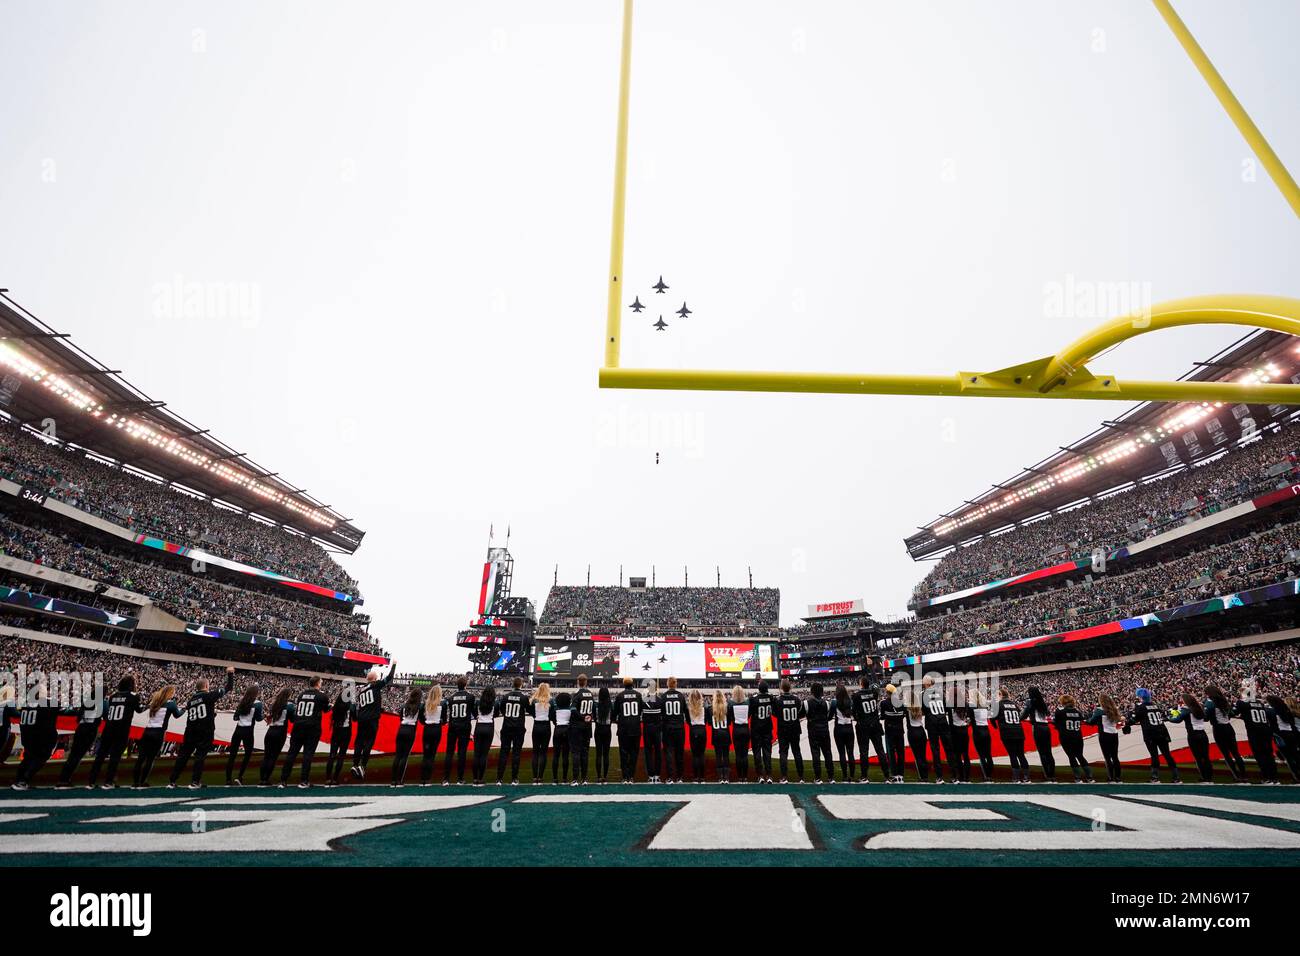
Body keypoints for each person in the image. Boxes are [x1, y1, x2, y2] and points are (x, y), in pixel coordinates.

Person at [168, 667, 235, 789]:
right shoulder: (208, 696)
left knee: (183, 755)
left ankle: (172, 781)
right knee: (200, 756)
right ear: (205, 686)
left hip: (190, 730)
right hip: (204, 730)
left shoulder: (190, 701)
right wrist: (230, 674)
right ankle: (195, 781)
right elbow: (228, 687)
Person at [87, 674, 143, 789]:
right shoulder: (134, 696)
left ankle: (91, 781)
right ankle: (108, 781)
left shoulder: (113, 696)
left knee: (101, 755)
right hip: (121, 729)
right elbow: (139, 710)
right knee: (115, 757)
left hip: (108, 728)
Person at [10, 684, 66, 790]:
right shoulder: (47, 703)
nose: (47, 693)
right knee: (40, 758)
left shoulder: (26, 704)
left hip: (27, 736)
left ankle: (18, 780)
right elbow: (64, 709)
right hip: (41, 737)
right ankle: (23, 781)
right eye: (45, 691)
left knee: (28, 758)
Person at [280, 676, 331, 788]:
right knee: (308, 754)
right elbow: (326, 709)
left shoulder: (301, 695)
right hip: (312, 727)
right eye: (321, 682)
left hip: (298, 726)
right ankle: (304, 780)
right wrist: (330, 706)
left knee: (292, 753)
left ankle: (283, 780)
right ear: (317, 683)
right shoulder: (322, 696)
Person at [1123, 687, 1180, 784]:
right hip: (1162, 731)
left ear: (1140, 697)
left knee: (1154, 755)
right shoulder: (1155, 705)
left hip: (1150, 733)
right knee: (1167, 754)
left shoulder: (1141, 707)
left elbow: (1134, 720)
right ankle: (1176, 777)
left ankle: (1155, 777)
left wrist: (1127, 723)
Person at [351, 662, 397, 780]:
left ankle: (355, 764)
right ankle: (363, 766)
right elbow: (390, 677)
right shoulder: (376, 685)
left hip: (362, 718)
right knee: (369, 743)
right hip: (372, 719)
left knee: (359, 742)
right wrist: (394, 665)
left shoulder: (361, 690)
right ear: (375, 678)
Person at [134, 685, 182, 789]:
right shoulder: (171, 704)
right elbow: (177, 715)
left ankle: (135, 782)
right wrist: (185, 709)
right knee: (150, 759)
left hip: (147, 731)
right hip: (158, 733)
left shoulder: (155, 701)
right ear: (170, 693)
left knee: (141, 758)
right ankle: (142, 782)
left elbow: (143, 709)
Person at [56, 692, 103, 790]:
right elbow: (98, 720)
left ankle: (63, 778)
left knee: (73, 755)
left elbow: (78, 718)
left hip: (80, 729)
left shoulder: (86, 703)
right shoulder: (99, 704)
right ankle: (65, 779)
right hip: (89, 731)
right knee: (78, 756)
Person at [1234, 693, 1279, 785]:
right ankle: (1274, 778)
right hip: (1265, 729)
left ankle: (1266, 777)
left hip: (1254, 731)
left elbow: (1234, 712)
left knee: (1259, 755)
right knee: (1269, 754)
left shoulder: (1242, 703)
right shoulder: (1260, 703)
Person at [1204, 685, 1246, 783]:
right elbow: (1232, 714)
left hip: (1219, 729)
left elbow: (1206, 718)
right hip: (1229, 727)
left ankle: (1236, 776)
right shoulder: (1224, 700)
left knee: (1226, 755)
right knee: (1236, 753)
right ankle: (1244, 775)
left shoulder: (1209, 703)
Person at [1169, 693, 1214, 783]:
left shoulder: (1186, 709)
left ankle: (1204, 777)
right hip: (1203, 734)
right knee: (1205, 757)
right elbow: (1206, 718)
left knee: (1198, 758)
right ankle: (1209, 777)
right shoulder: (1200, 707)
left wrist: (1169, 717)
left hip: (1193, 735)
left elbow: (1177, 720)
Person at [225, 684, 262, 786]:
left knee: (232, 755)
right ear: (256, 693)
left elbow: (235, 718)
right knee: (248, 754)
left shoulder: (242, 701)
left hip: (238, 730)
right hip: (248, 731)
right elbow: (259, 718)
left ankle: (228, 779)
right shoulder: (258, 704)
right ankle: (239, 777)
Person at [851, 678, 887, 784]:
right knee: (880, 751)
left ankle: (864, 777)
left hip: (863, 726)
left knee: (864, 751)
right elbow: (876, 685)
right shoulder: (874, 693)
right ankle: (887, 776)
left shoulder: (856, 696)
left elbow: (854, 711)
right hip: (875, 724)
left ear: (861, 684)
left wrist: (859, 719)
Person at [496, 677, 530, 785]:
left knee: (503, 753)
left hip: (507, 727)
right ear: (521, 685)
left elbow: (502, 710)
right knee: (516, 753)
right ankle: (514, 778)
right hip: (518, 728)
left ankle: (499, 778)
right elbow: (529, 710)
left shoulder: (506, 696)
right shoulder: (524, 697)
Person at [443, 676, 477, 785]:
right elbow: (474, 713)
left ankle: (445, 779)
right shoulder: (470, 697)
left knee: (449, 752)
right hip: (464, 726)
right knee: (462, 752)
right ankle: (460, 778)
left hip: (453, 725)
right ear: (465, 685)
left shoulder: (451, 697)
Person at [992, 687, 1028, 784]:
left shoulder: (998, 705)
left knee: (1012, 755)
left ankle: (1016, 778)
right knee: (1021, 755)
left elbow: (992, 717)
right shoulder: (1015, 704)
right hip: (1019, 731)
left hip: (1007, 732)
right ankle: (1026, 777)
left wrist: (995, 726)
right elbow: (1021, 716)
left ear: (1000, 695)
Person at [1053, 694, 1092, 783]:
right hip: (1078, 736)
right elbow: (1082, 720)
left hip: (1066, 736)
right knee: (1080, 756)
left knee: (1071, 756)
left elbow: (1056, 723)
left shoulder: (1060, 711)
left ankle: (1078, 778)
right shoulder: (1077, 711)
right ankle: (1089, 777)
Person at [257, 688, 292, 786]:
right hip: (280, 732)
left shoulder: (274, 704)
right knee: (273, 756)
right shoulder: (288, 706)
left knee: (266, 756)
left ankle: (262, 778)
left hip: (270, 731)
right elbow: (292, 719)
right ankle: (266, 779)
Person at [1086, 693, 1124, 783]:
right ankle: (1118, 778)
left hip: (1104, 735)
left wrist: (1086, 720)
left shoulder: (1099, 710)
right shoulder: (1115, 709)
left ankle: (1110, 778)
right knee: (1115, 757)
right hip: (1114, 734)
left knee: (1107, 757)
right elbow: (1118, 719)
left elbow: (1091, 722)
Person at [613, 677, 644, 783]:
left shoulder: (620, 696)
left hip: (623, 728)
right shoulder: (638, 695)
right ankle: (631, 776)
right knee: (634, 753)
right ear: (633, 684)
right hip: (635, 728)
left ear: (624, 684)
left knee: (623, 753)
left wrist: (617, 721)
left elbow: (615, 713)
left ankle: (625, 776)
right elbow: (640, 711)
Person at [921, 675, 950, 783]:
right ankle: (954, 776)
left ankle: (939, 776)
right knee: (948, 749)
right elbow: (946, 707)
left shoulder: (923, 694)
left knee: (935, 750)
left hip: (932, 723)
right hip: (942, 721)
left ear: (927, 683)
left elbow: (923, 710)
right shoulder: (941, 692)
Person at [775, 680, 805, 784]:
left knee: (783, 753)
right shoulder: (797, 699)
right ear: (790, 687)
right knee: (797, 752)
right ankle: (801, 777)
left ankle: (784, 777)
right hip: (795, 729)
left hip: (783, 730)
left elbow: (775, 714)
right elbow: (800, 713)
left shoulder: (778, 700)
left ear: (782, 688)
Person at [569, 675, 597, 785]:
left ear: (578, 681)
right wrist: (590, 718)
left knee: (576, 753)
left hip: (577, 727)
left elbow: (573, 709)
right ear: (586, 682)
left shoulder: (577, 693)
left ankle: (575, 779)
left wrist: (582, 717)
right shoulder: (590, 693)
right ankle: (585, 779)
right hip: (587, 727)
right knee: (585, 753)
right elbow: (594, 709)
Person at [1024, 686, 1056, 783]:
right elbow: (1047, 713)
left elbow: (1025, 713)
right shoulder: (1042, 702)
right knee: (1049, 753)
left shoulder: (1030, 701)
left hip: (1038, 728)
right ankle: (1052, 775)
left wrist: (1019, 719)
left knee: (1042, 753)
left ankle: (1047, 775)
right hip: (1046, 727)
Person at [324, 686, 354, 786]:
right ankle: (336, 778)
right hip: (346, 732)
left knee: (332, 755)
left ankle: (328, 778)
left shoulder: (336, 706)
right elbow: (355, 718)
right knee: (341, 756)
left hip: (336, 731)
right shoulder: (350, 706)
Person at [392, 689, 423, 786]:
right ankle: (399, 780)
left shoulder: (404, 705)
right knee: (404, 756)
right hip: (410, 730)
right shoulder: (420, 706)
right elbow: (421, 720)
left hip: (401, 729)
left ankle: (393, 781)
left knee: (397, 755)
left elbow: (401, 718)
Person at [660, 677, 688, 783]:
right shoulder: (680, 696)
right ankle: (680, 777)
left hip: (667, 728)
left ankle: (670, 777)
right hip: (679, 728)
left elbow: (661, 713)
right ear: (675, 684)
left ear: (668, 684)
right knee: (679, 753)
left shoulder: (663, 696)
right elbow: (685, 711)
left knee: (668, 753)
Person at [806, 683, 834, 784]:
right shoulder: (826, 703)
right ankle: (831, 777)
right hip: (824, 730)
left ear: (812, 691)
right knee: (828, 753)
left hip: (813, 731)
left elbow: (803, 715)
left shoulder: (807, 703)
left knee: (816, 754)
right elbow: (828, 716)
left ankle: (818, 778)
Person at [749, 681, 776, 784]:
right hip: (767, 728)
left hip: (756, 729)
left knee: (757, 752)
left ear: (759, 689)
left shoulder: (754, 698)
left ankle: (760, 776)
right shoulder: (771, 698)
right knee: (767, 752)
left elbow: (749, 713)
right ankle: (769, 775)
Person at [1268, 696, 1300, 782]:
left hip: (1286, 734)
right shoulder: (1291, 711)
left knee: (1289, 758)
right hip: (1292, 734)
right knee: (1296, 755)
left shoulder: (1278, 711)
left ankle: (1296, 777)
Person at [829, 683, 857, 782]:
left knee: (842, 753)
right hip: (849, 728)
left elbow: (829, 717)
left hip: (839, 729)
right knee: (851, 753)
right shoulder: (850, 702)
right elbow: (854, 714)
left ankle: (845, 776)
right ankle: (852, 776)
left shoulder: (834, 703)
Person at [880, 684, 907, 783]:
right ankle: (901, 775)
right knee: (901, 753)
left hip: (890, 731)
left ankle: (894, 775)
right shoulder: (901, 703)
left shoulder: (884, 703)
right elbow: (903, 715)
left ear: (888, 692)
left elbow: (882, 716)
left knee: (891, 754)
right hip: (900, 730)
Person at [419, 684, 445, 785]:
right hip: (436, 730)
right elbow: (444, 720)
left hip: (427, 729)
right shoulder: (442, 704)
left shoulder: (425, 704)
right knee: (432, 755)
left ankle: (423, 778)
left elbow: (421, 719)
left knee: (426, 754)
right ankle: (428, 778)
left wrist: (426, 722)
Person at [947, 686, 972, 784]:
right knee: (965, 754)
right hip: (964, 730)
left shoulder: (950, 705)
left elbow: (950, 720)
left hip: (955, 731)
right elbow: (969, 719)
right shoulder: (966, 704)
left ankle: (960, 777)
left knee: (957, 755)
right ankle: (967, 778)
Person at [472, 688, 497, 786]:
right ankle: (481, 778)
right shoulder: (495, 703)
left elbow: (474, 714)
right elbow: (495, 714)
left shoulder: (478, 702)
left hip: (479, 727)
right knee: (484, 755)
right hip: (489, 727)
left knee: (476, 754)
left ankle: (475, 778)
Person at [529, 682, 553, 784]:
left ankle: (535, 777)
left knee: (535, 752)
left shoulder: (534, 701)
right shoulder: (550, 701)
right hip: (546, 726)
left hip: (537, 725)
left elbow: (531, 712)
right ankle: (540, 776)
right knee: (543, 752)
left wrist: (536, 716)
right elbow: (552, 714)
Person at [707, 689, 732, 783]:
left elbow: (709, 723)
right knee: (726, 755)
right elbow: (729, 722)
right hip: (725, 733)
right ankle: (726, 777)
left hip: (716, 734)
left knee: (718, 756)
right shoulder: (727, 707)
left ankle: (720, 777)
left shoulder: (710, 708)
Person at [969, 690, 995, 782]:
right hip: (986, 730)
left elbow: (970, 720)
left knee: (981, 755)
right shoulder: (985, 707)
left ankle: (986, 776)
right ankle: (990, 775)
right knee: (988, 754)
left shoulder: (972, 707)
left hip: (977, 731)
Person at [641, 680, 664, 784]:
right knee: (658, 752)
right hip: (657, 729)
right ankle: (657, 776)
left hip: (647, 729)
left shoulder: (644, 700)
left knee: (648, 752)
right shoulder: (660, 700)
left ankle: (650, 776)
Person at [730, 685, 751, 783]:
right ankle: (745, 777)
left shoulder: (731, 703)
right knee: (745, 754)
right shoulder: (747, 702)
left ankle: (740, 777)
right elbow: (749, 714)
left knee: (738, 755)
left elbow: (730, 718)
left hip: (736, 729)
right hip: (745, 729)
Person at [686, 689, 708, 782]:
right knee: (701, 754)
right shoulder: (704, 708)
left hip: (693, 730)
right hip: (702, 730)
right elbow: (706, 720)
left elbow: (688, 721)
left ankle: (695, 777)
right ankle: (702, 777)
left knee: (695, 755)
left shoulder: (688, 709)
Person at [905, 703, 930, 782]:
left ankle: (922, 776)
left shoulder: (907, 709)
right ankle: (925, 776)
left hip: (913, 731)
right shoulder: (920, 708)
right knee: (923, 755)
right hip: (921, 731)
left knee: (917, 756)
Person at [551, 691, 572, 784]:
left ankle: (555, 779)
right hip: (567, 730)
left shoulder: (555, 710)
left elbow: (553, 720)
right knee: (565, 755)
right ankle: (564, 778)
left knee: (556, 755)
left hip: (557, 730)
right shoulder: (570, 710)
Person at [594, 686, 613, 783]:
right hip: (607, 730)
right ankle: (605, 777)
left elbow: (594, 717)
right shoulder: (610, 705)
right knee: (606, 754)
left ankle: (598, 776)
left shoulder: (596, 705)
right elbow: (613, 717)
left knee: (598, 754)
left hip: (598, 730)